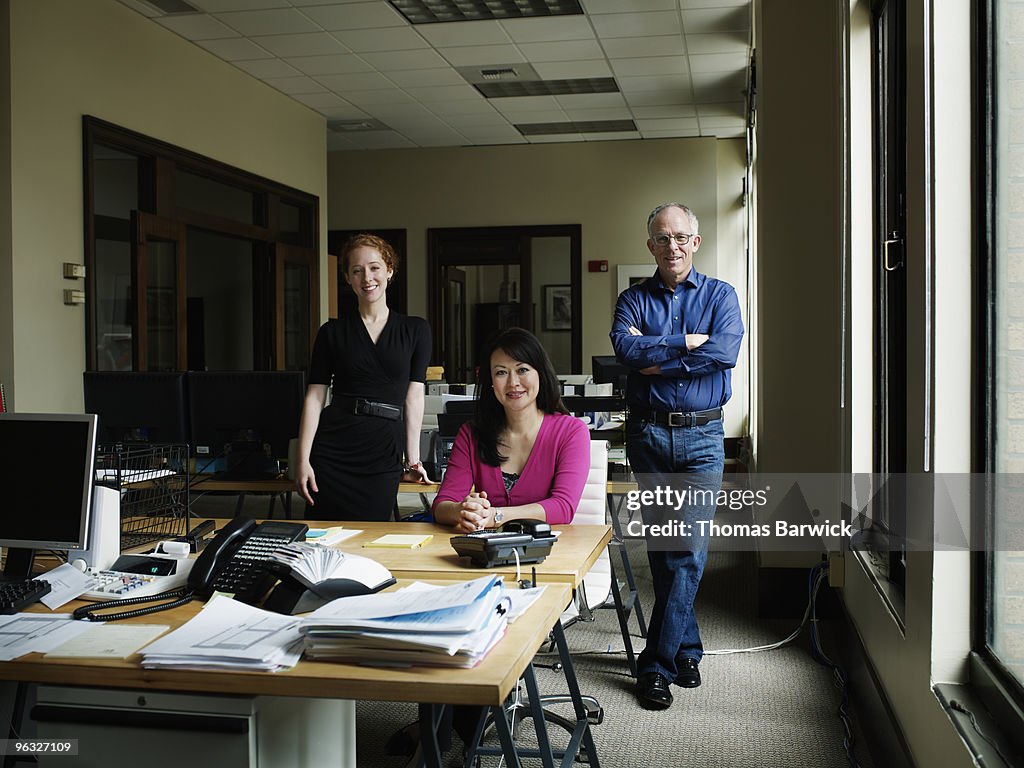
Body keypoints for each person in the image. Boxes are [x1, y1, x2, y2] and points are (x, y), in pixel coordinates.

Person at [610, 202, 744, 710]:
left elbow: (725, 353)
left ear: (696, 241)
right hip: (648, 436)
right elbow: (625, 350)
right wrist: (687, 344)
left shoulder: (721, 296)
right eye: (662, 238)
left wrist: (659, 357)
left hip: (704, 438)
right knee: (666, 550)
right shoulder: (632, 299)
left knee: (687, 550)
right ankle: (687, 648)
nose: (672, 246)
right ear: (651, 246)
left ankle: (657, 664)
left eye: (681, 237)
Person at [295, 234, 431, 521]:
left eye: (374, 267)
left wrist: (413, 459)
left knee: (372, 535)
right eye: (357, 270)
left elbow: (414, 396)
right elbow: (315, 397)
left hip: (383, 447)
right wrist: (302, 459)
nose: (366, 277)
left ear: (389, 270)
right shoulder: (331, 333)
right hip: (333, 448)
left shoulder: (416, 330)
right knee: (323, 538)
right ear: (348, 277)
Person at [432, 326, 590, 532]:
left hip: (552, 553)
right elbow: (442, 505)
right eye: (501, 372)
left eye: (522, 369)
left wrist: (495, 516)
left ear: (540, 374)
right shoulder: (471, 434)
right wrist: (463, 510)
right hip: (488, 555)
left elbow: (563, 507)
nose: (513, 382)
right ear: (490, 382)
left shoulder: (571, 431)